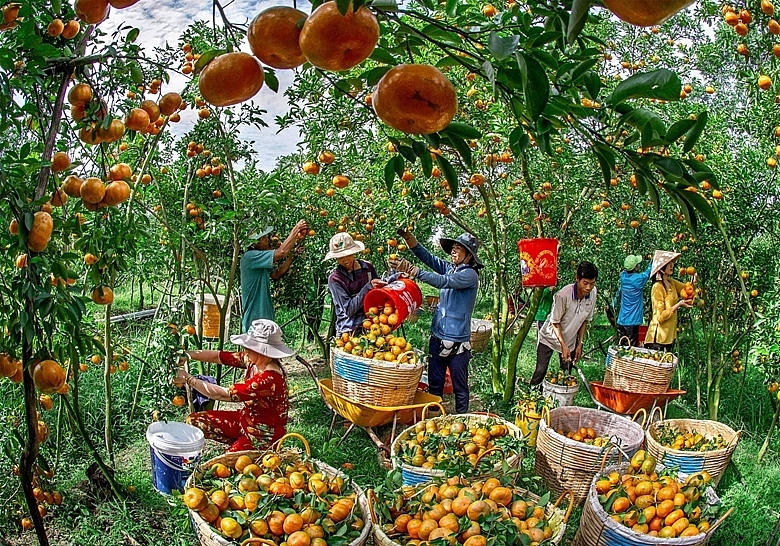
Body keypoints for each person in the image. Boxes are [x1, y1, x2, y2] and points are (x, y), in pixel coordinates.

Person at [389, 231, 482, 414]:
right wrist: (408, 237)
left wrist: (412, 270)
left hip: (457, 342)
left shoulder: (470, 275)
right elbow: (428, 257)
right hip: (438, 336)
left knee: (459, 385)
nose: (453, 252)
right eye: (453, 248)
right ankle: (433, 417)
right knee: (435, 381)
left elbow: (443, 282)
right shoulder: (451, 268)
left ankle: (461, 418)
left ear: (469, 255)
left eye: (458, 249)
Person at [174, 319, 293, 452]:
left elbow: (224, 394)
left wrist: (189, 379)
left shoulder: (269, 379)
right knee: (195, 421)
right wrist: (188, 355)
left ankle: (256, 450)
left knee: (225, 466)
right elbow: (219, 357)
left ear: (262, 351)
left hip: (263, 436)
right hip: (244, 421)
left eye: (250, 347)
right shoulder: (253, 361)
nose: (245, 349)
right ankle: (239, 443)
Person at [531, 262, 598, 387]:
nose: (588, 287)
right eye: (585, 283)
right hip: (549, 337)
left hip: (570, 341)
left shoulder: (593, 293)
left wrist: (580, 343)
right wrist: (563, 345)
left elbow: (585, 320)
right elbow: (555, 322)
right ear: (577, 279)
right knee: (540, 371)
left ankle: (561, 402)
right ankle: (532, 397)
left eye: (592, 283)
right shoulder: (563, 296)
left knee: (566, 375)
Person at [240, 219, 308, 332]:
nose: (267, 239)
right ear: (254, 242)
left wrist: (292, 256)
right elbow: (281, 252)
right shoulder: (250, 257)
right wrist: (295, 231)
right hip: (255, 321)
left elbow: (276, 274)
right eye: (263, 238)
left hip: (265, 319)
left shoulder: (259, 260)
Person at [324, 232, 387, 335]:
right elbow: (349, 310)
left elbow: (379, 293)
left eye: (348, 255)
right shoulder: (335, 279)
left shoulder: (367, 268)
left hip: (373, 325)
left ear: (354, 252)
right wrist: (368, 287)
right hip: (349, 331)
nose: (345, 260)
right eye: (340, 257)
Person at [644, 250, 692, 351]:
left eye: (672, 263)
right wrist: (679, 304)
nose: (672, 265)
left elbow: (687, 288)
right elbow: (660, 317)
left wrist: (694, 278)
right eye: (668, 263)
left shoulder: (671, 282)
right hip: (657, 339)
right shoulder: (657, 287)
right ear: (661, 268)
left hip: (668, 337)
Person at [612, 254, 653, 346]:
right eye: (637, 264)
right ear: (635, 267)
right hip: (632, 322)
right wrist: (652, 262)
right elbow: (647, 273)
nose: (639, 265)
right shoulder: (638, 279)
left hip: (621, 320)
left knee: (621, 348)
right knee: (631, 350)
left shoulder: (623, 277)